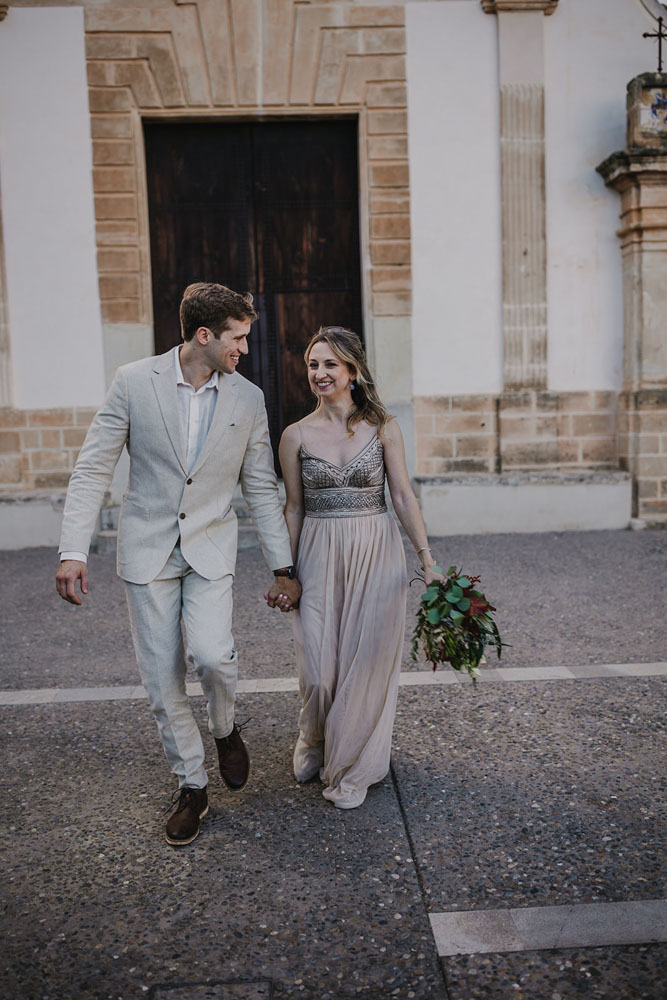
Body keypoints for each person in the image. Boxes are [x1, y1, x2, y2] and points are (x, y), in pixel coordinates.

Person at [56, 282, 301, 846]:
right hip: (147, 551)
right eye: (237, 338)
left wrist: (282, 566)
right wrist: (73, 550)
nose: (244, 349)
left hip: (210, 548)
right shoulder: (133, 382)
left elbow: (261, 488)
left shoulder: (248, 399)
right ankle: (193, 787)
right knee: (163, 679)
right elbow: (93, 467)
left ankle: (224, 727)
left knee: (215, 659)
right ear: (204, 335)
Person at [278, 327, 443, 809]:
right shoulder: (294, 435)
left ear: (352, 370)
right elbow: (292, 509)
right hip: (318, 552)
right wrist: (283, 572)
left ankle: (354, 764)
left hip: (375, 549)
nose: (320, 373)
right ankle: (314, 739)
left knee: (365, 662)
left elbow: (402, 496)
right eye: (313, 364)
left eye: (330, 364)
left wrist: (427, 561)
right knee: (318, 666)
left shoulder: (384, 427)